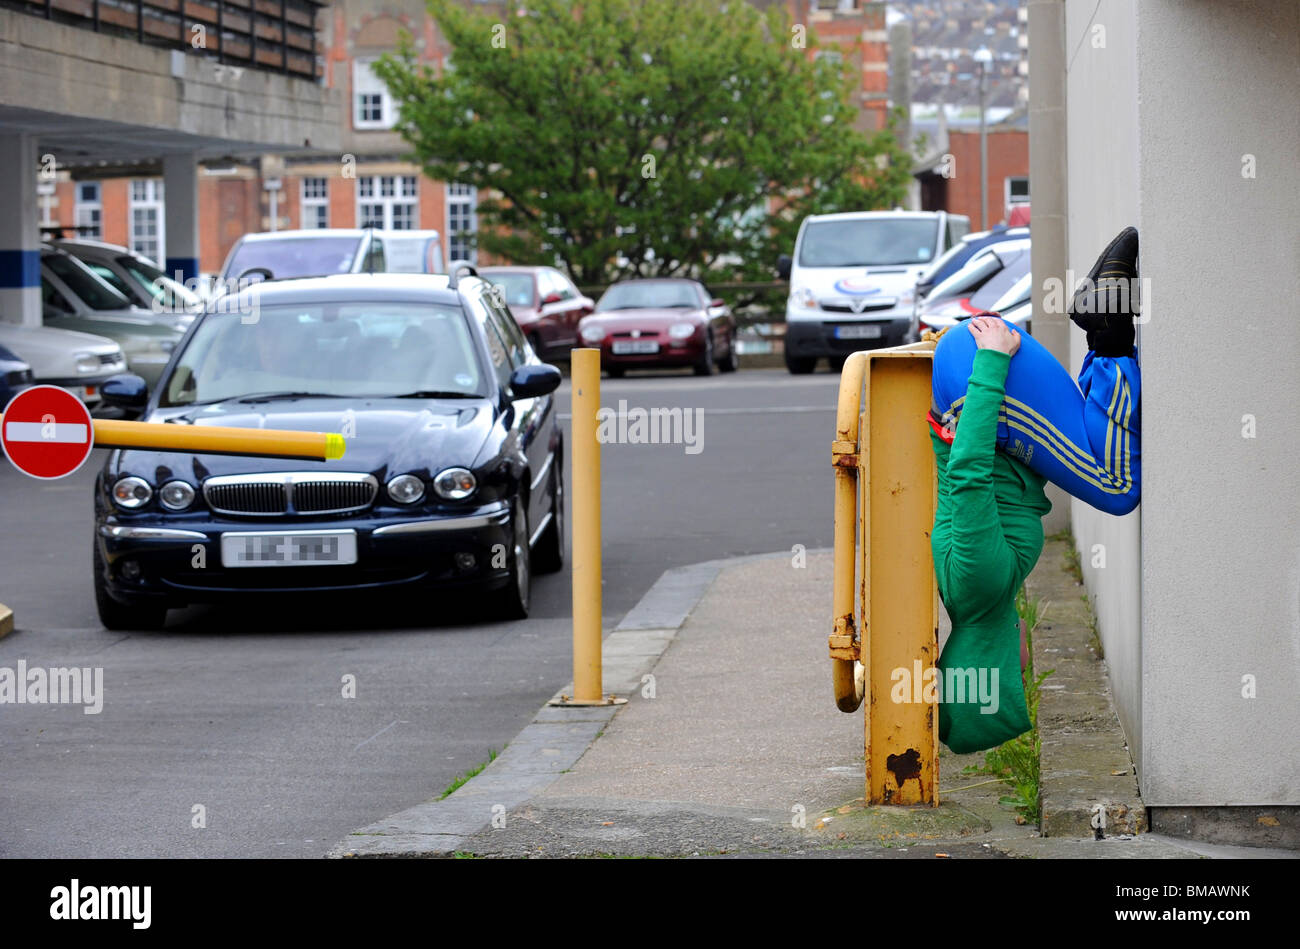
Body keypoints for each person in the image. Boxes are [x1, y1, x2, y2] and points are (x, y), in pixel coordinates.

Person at [926, 227, 1142, 753]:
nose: (1028, 672)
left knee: (1116, 489)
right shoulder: (971, 596)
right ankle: (1105, 318)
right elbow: (951, 472)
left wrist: (992, 360)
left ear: (989, 669)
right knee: (1087, 451)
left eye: (1015, 684)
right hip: (982, 395)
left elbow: (970, 469)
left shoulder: (978, 587)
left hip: (987, 386)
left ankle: (1108, 328)